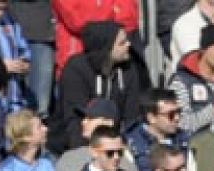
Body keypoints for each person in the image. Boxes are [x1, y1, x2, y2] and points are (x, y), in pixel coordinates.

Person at [49, 21, 147, 154]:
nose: (128, 45)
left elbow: (132, 116)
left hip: (114, 145)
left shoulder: (128, 69)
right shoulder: (76, 69)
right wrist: (82, 155)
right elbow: (74, 119)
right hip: (71, 146)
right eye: (122, 43)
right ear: (106, 47)